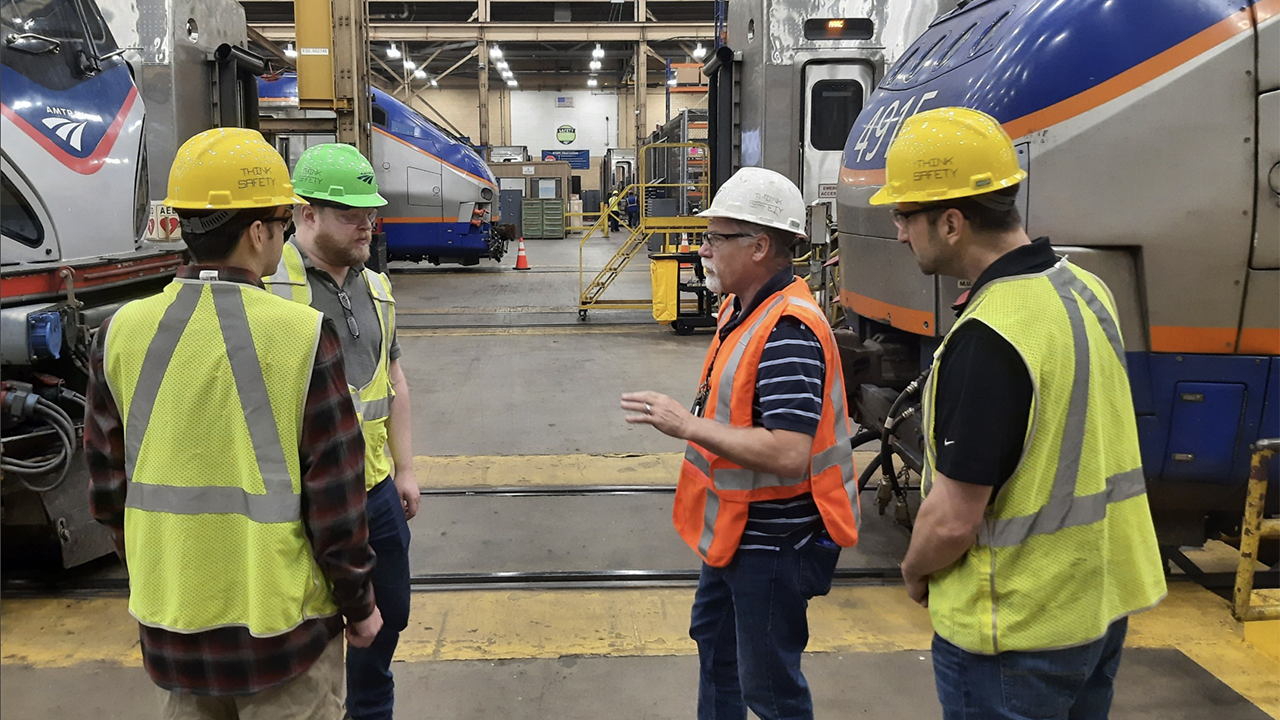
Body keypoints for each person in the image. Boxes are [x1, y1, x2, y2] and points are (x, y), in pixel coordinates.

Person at [872, 107, 1167, 719]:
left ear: (951, 222)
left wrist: (913, 568)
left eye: (906, 216)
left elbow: (953, 520)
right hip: (1098, 607)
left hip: (1017, 630)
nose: (900, 233)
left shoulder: (989, 335)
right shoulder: (1085, 288)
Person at [86, 128, 382, 720]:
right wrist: (359, 603)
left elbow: (106, 491)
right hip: (282, 635)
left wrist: (163, 571)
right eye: (279, 220)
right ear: (257, 232)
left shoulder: (121, 331)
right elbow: (335, 500)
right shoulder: (299, 335)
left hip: (173, 626)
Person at [621, 167, 860, 720]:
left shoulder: (789, 331)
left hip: (774, 546)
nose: (702, 249)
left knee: (770, 687)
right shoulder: (740, 308)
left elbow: (789, 453)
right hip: (735, 532)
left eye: (715, 238)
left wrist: (687, 425)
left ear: (759, 246)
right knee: (716, 649)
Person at [263, 143, 415, 720]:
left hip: (375, 490)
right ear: (307, 215)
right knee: (320, 630)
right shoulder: (271, 286)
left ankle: (372, 710)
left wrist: (406, 469)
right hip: (304, 496)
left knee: (385, 623)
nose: (366, 225)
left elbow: (394, 379)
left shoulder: (375, 287)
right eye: (352, 215)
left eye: (369, 213)